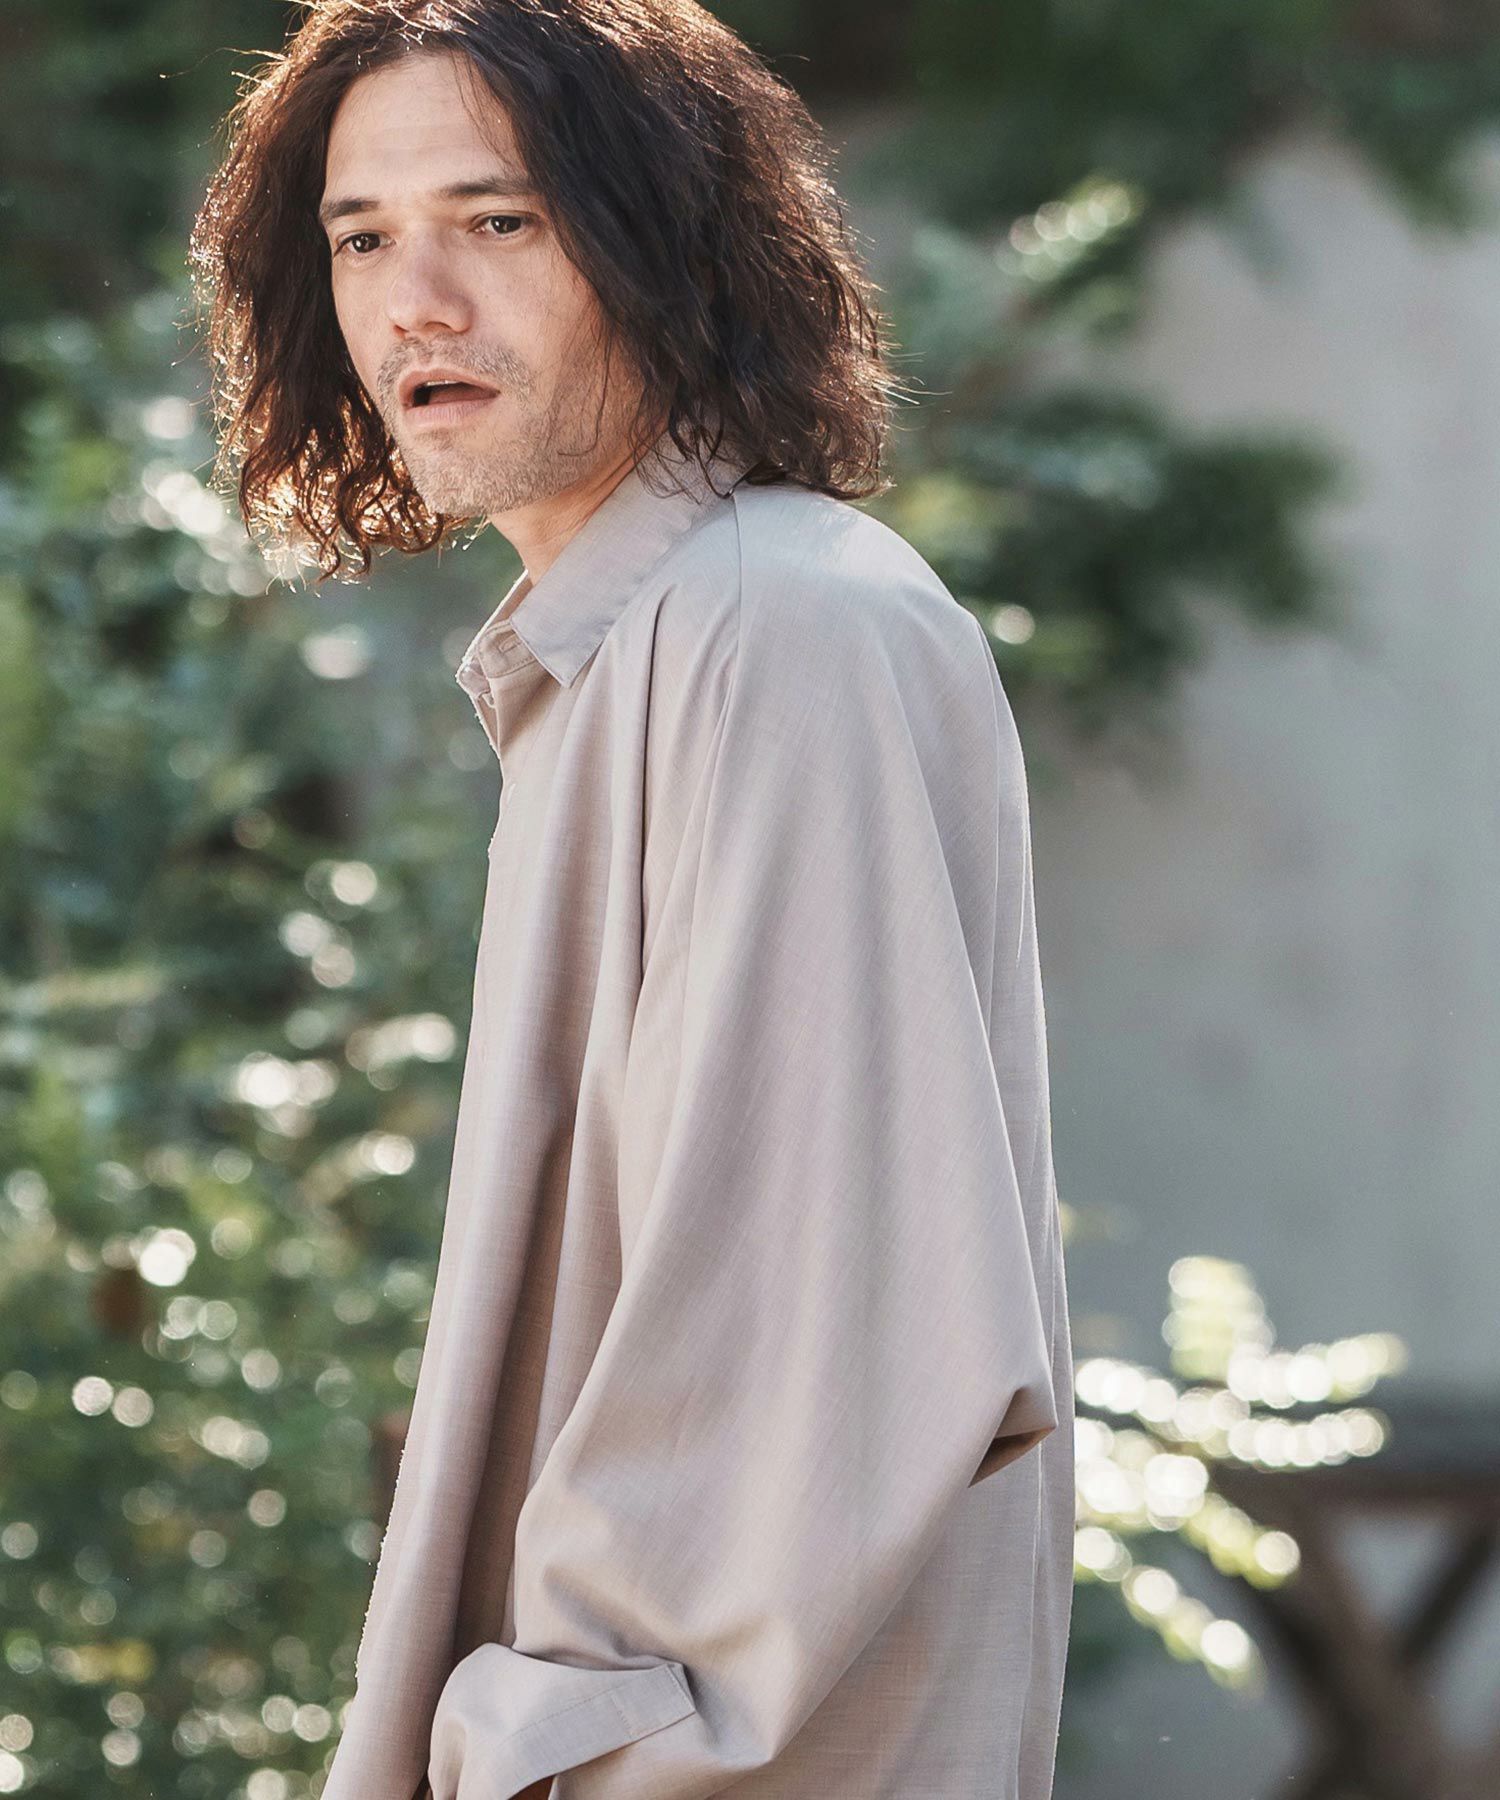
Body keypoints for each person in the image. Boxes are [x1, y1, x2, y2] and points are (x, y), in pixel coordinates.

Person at [188, 3, 1076, 1796]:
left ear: (665, 244)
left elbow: (825, 1317)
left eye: (498, 220)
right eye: (363, 240)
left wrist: (552, 1732)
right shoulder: (632, 644)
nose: (416, 301)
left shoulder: (775, 627)